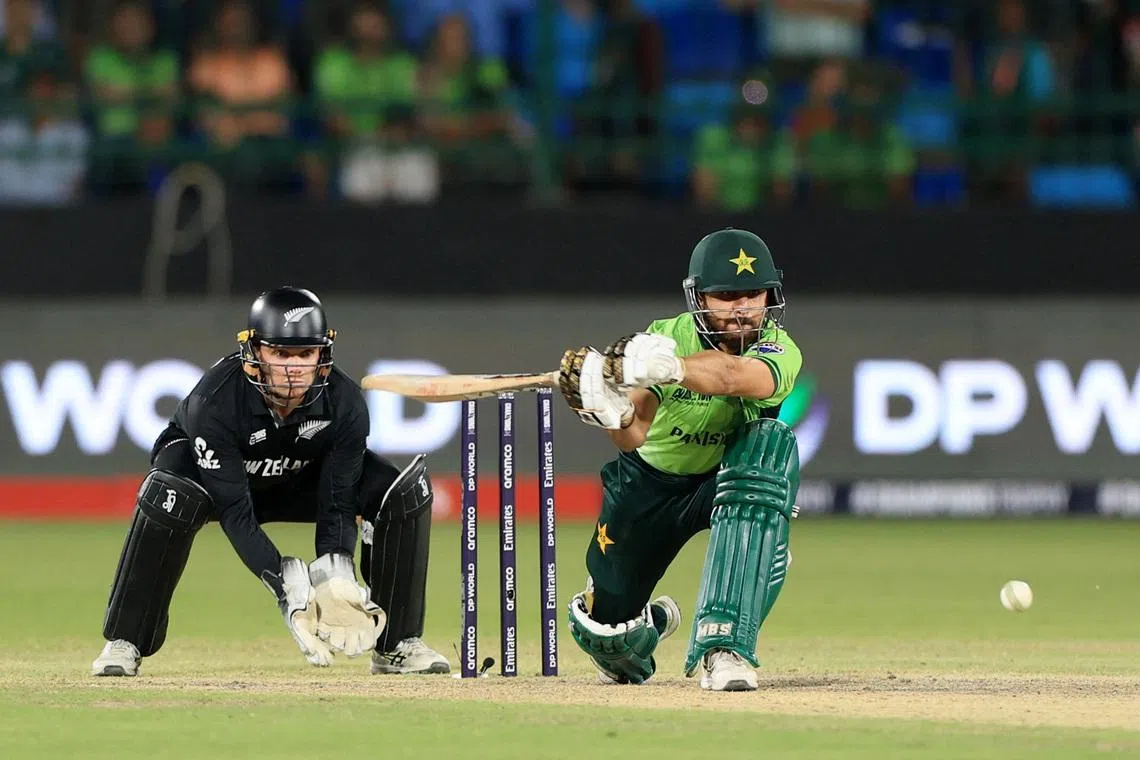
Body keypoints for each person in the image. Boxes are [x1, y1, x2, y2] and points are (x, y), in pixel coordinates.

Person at [91, 286, 450, 677]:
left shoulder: (344, 404)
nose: (293, 368)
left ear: (322, 356)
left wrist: (336, 571)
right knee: (168, 492)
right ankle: (125, 640)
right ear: (255, 354)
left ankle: (397, 644)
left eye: (304, 354)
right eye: (280, 353)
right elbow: (234, 511)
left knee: (401, 493)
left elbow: (337, 503)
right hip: (220, 487)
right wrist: (285, 583)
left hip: (300, 483)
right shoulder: (215, 402)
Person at [556, 228, 803, 691]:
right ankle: (648, 623)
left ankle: (723, 647)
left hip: (724, 479)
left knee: (769, 444)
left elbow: (735, 377)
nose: (743, 307)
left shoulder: (778, 348)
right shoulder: (662, 338)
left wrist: (675, 368)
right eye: (726, 296)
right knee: (610, 641)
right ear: (700, 298)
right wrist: (609, 410)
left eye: (752, 292)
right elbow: (633, 435)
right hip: (648, 485)